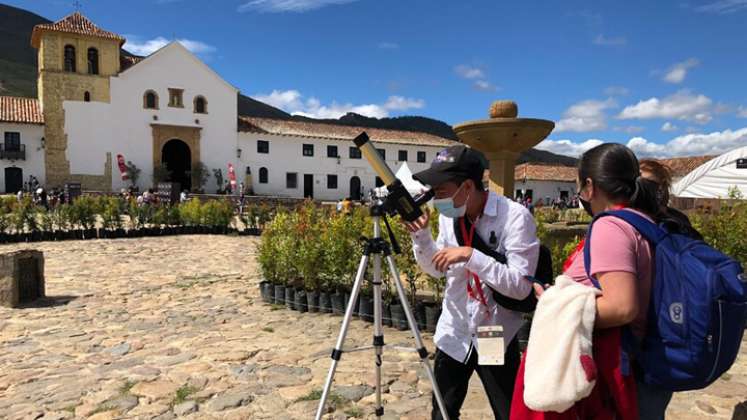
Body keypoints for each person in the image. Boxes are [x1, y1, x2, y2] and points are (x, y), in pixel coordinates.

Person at [527, 143, 670, 420]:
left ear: (590, 186)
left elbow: (622, 306)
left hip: (619, 367)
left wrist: (553, 305)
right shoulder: (643, 219)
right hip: (641, 359)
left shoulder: (610, 226)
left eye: (580, 186)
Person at [405, 145, 540, 420]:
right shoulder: (448, 216)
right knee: (442, 412)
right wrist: (421, 238)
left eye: (441, 190)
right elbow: (436, 269)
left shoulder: (514, 217)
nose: (435, 197)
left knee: (508, 413)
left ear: (467, 186)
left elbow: (520, 285)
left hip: (495, 332)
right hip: (455, 330)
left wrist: (470, 255)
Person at [639, 159, 703, 240]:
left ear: (662, 186)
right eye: (637, 183)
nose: (640, 189)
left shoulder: (679, 219)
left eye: (647, 183)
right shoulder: (632, 218)